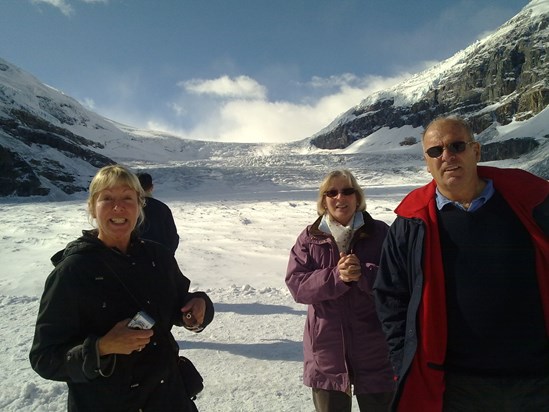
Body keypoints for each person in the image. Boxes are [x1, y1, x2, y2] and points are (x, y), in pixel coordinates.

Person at [373, 116, 549, 412]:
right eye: (435, 151)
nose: (447, 156)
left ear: (476, 151)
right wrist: (403, 358)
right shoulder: (411, 223)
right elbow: (391, 295)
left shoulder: (531, 203)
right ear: (426, 162)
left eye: (457, 146)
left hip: (536, 380)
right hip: (457, 385)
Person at [29, 164, 214, 412]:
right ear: (93, 208)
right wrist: (102, 347)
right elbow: (44, 358)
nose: (118, 207)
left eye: (127, 198)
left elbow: (181, 306)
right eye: (107, 198)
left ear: (139, 206)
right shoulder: (73, 271)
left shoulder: (157, 256)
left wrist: (199, 307)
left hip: (168, 397)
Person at [286, 169, 395, 412]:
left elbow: (398, 280)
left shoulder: (380, 233)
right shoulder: (310, 238)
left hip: (375, 350)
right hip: (326, 353)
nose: (339, 197)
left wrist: (364, 274)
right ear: (323, 200)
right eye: (331, 192)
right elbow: (297, 284)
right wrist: (337, 277)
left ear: (357, 197)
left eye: (347, 191)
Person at [137, 172, 180, 254]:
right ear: (152, 187)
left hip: (133, 259)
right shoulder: (163, 208)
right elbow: (173, 237)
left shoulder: (128, 208)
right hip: (160, 258)